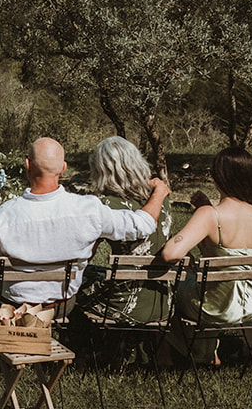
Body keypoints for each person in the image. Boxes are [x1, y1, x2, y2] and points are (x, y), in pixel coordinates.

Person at [0, 137, 168, 335]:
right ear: (63, 168)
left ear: (27, 165)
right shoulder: (88, 209)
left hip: (13, 302)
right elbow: (144, 224)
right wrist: (159, 191)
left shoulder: (6, 213)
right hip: (60, 305)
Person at [159, 146, 252, 365]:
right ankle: (205, 353)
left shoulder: (210, 216)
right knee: (202, 283)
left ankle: (170, 354)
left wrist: (204, 215)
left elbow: (170, 253)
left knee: (170, 280)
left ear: (219, 177)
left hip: (215, 306)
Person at [74, 136, 178, 329]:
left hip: (123, 304)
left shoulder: (106, 205)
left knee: (73, 285)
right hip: (163, 302)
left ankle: (88, 353)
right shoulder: (159, 199)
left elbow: (85, 255)